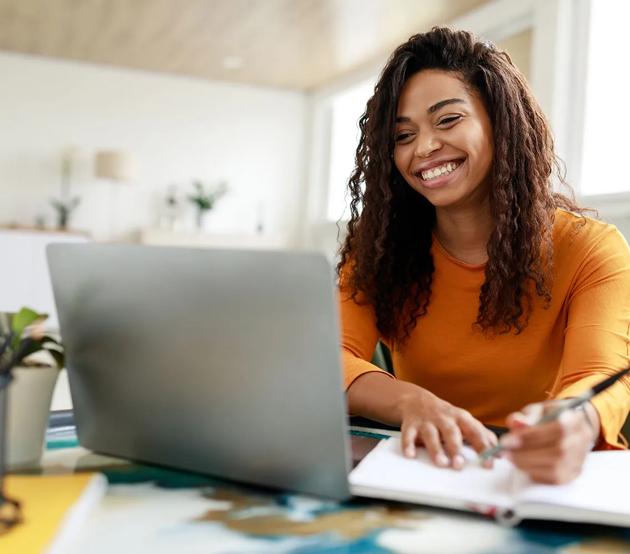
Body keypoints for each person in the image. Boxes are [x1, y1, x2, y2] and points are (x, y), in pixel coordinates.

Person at [338, 27, 630, 484]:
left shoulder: (591, 248)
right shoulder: (378, 248)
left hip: (538, 480)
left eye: (448, 120)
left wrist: (579, 422)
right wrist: (412, 401)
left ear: (501, 121)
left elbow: (601, 374)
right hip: (422, 471)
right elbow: (331, 355)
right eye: (403, 135)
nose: (425, 147)